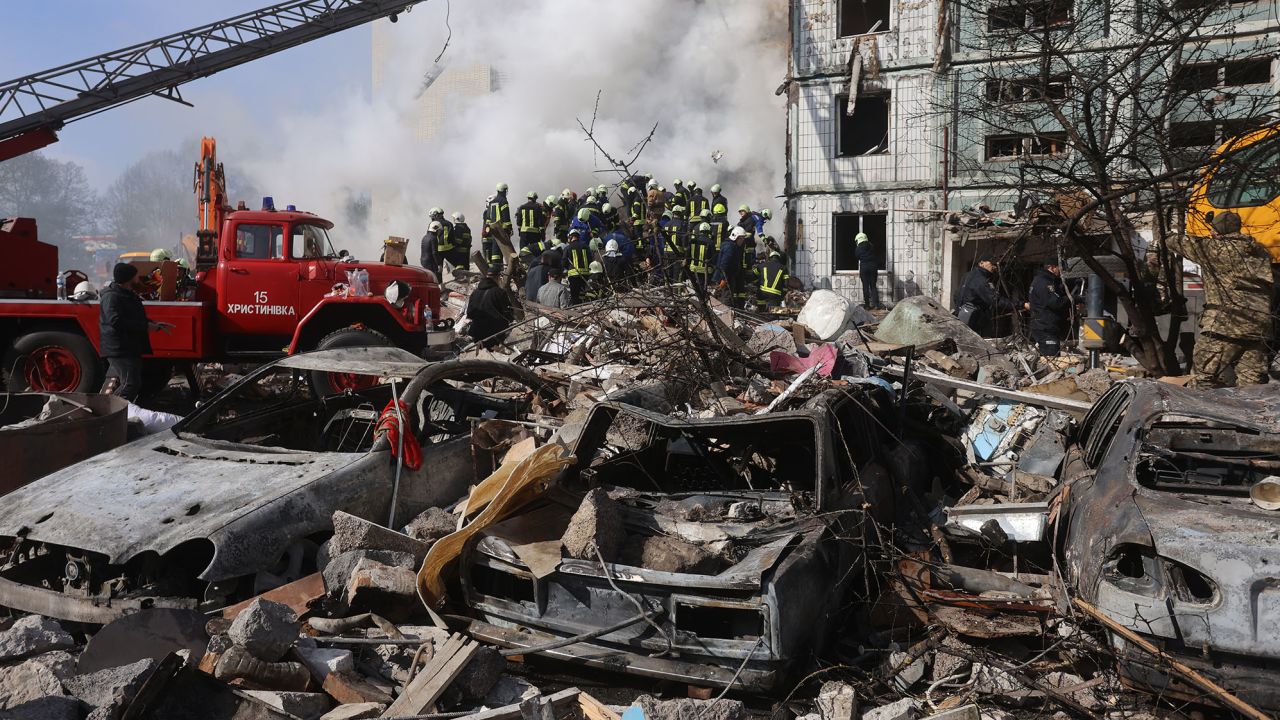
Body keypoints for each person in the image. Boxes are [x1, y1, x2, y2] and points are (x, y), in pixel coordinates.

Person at [1164, 211, 1275, 387]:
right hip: (1258, 328)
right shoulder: (1259, 251)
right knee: (1253, 386)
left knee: (1203, 379)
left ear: (1216, 232)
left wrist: (1167, 231)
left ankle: (1203, 414)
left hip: (1225, 325)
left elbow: (1175, 242)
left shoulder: (1214, 248)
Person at [100, 263, 172, 400]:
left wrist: (152, 323)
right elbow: (115, 321)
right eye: (135, 276)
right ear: (129, 278)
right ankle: (111, 412)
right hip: (119, 348)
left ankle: (115, 411)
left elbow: (134, 316)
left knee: (131, 382)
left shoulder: (127, 295)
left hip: (129, 346)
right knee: (130, 384)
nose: (138, 278)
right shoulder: (112, 297)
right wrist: (145, 327)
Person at [954, 254, 1017, 338]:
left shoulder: (967, 276)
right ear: (981, 263)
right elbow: (995, 300)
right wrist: (1020, 305)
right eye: (992, 264)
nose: (994, 267)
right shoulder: (980, 280)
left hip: (963, 316)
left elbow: (956, 295)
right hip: (973, 319)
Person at [1027, 260, 1073, 356]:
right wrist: (1073, 298)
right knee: (1052, 357)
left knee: (1052, 356)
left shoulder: (1044, 280)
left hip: (1047, 326)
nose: (1062, 271)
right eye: (1061, 268)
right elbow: (1055, 302)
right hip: (1045, 327)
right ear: (1052, 268)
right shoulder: (1044, 282)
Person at [465, 265, 514, 349]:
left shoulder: (475, 292)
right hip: (494, 334)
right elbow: (508, 313)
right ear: (498, 277)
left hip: (476, 332)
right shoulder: (499, 292)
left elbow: (469, 313)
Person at [713, 227, 748, 308]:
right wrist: (724, 279)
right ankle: (724, 318)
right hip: (726, 278)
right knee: (726, 300)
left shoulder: (728, 244)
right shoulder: (730, 247)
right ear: (736, 237)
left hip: (725, 277)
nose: (742, 241)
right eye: (742, 238)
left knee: (720, 298)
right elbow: (725, 264)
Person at [564, 229, 592, 304]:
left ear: (571, 237)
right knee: (583, 293)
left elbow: (564, 262)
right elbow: (590, 259)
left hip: (573, 276)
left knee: (575, 295)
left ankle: (577, 309)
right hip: (585, 275)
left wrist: (568, 269)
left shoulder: (568, 248)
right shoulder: (586, 246)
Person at [855, 232, 882, 310]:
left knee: (865, 286)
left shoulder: (858, 248)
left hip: (864, 267)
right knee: (873, 286)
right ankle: (876, 304)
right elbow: (876, 254)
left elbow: (857, 256)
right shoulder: (871, 245)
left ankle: (867, 305)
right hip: (873, 267)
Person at [686, 222, 715, 292]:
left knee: (694, 287)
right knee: (703, 289)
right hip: (705, 271)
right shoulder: (710, 242)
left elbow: (688, 255)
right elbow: (713, 257)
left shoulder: (692, 241)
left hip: (693, 269)